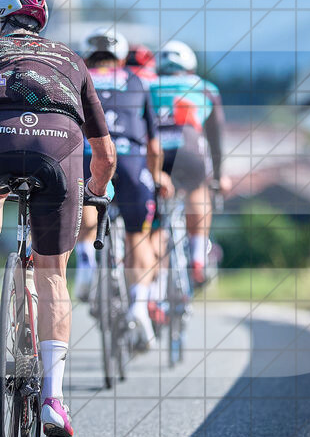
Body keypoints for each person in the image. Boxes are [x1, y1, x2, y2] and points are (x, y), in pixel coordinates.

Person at [0, 0, 116, 437]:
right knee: (53, 277)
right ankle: (52, 400)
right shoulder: (71, 60)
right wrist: (95, 195)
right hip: (58, 149)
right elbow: (104, 156)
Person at [72, 27, 170, 352]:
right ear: (121, 54)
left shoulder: (76, 77)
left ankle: (85, 267)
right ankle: (139, 306)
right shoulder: (137, 81)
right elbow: (154, 146)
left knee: (85, 215)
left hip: (89, 155)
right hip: (131, 161)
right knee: (137, 237)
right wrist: (155, 178)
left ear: (88, 54)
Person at [149, 40, 228, 288]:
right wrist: (219, 175)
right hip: (191, 152)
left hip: (158, 154)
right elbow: (216, 139)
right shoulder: (206, 89)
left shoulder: (147, 86)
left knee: (157, 222)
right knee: (199, 188)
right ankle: (197, 255)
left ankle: (155, 286)